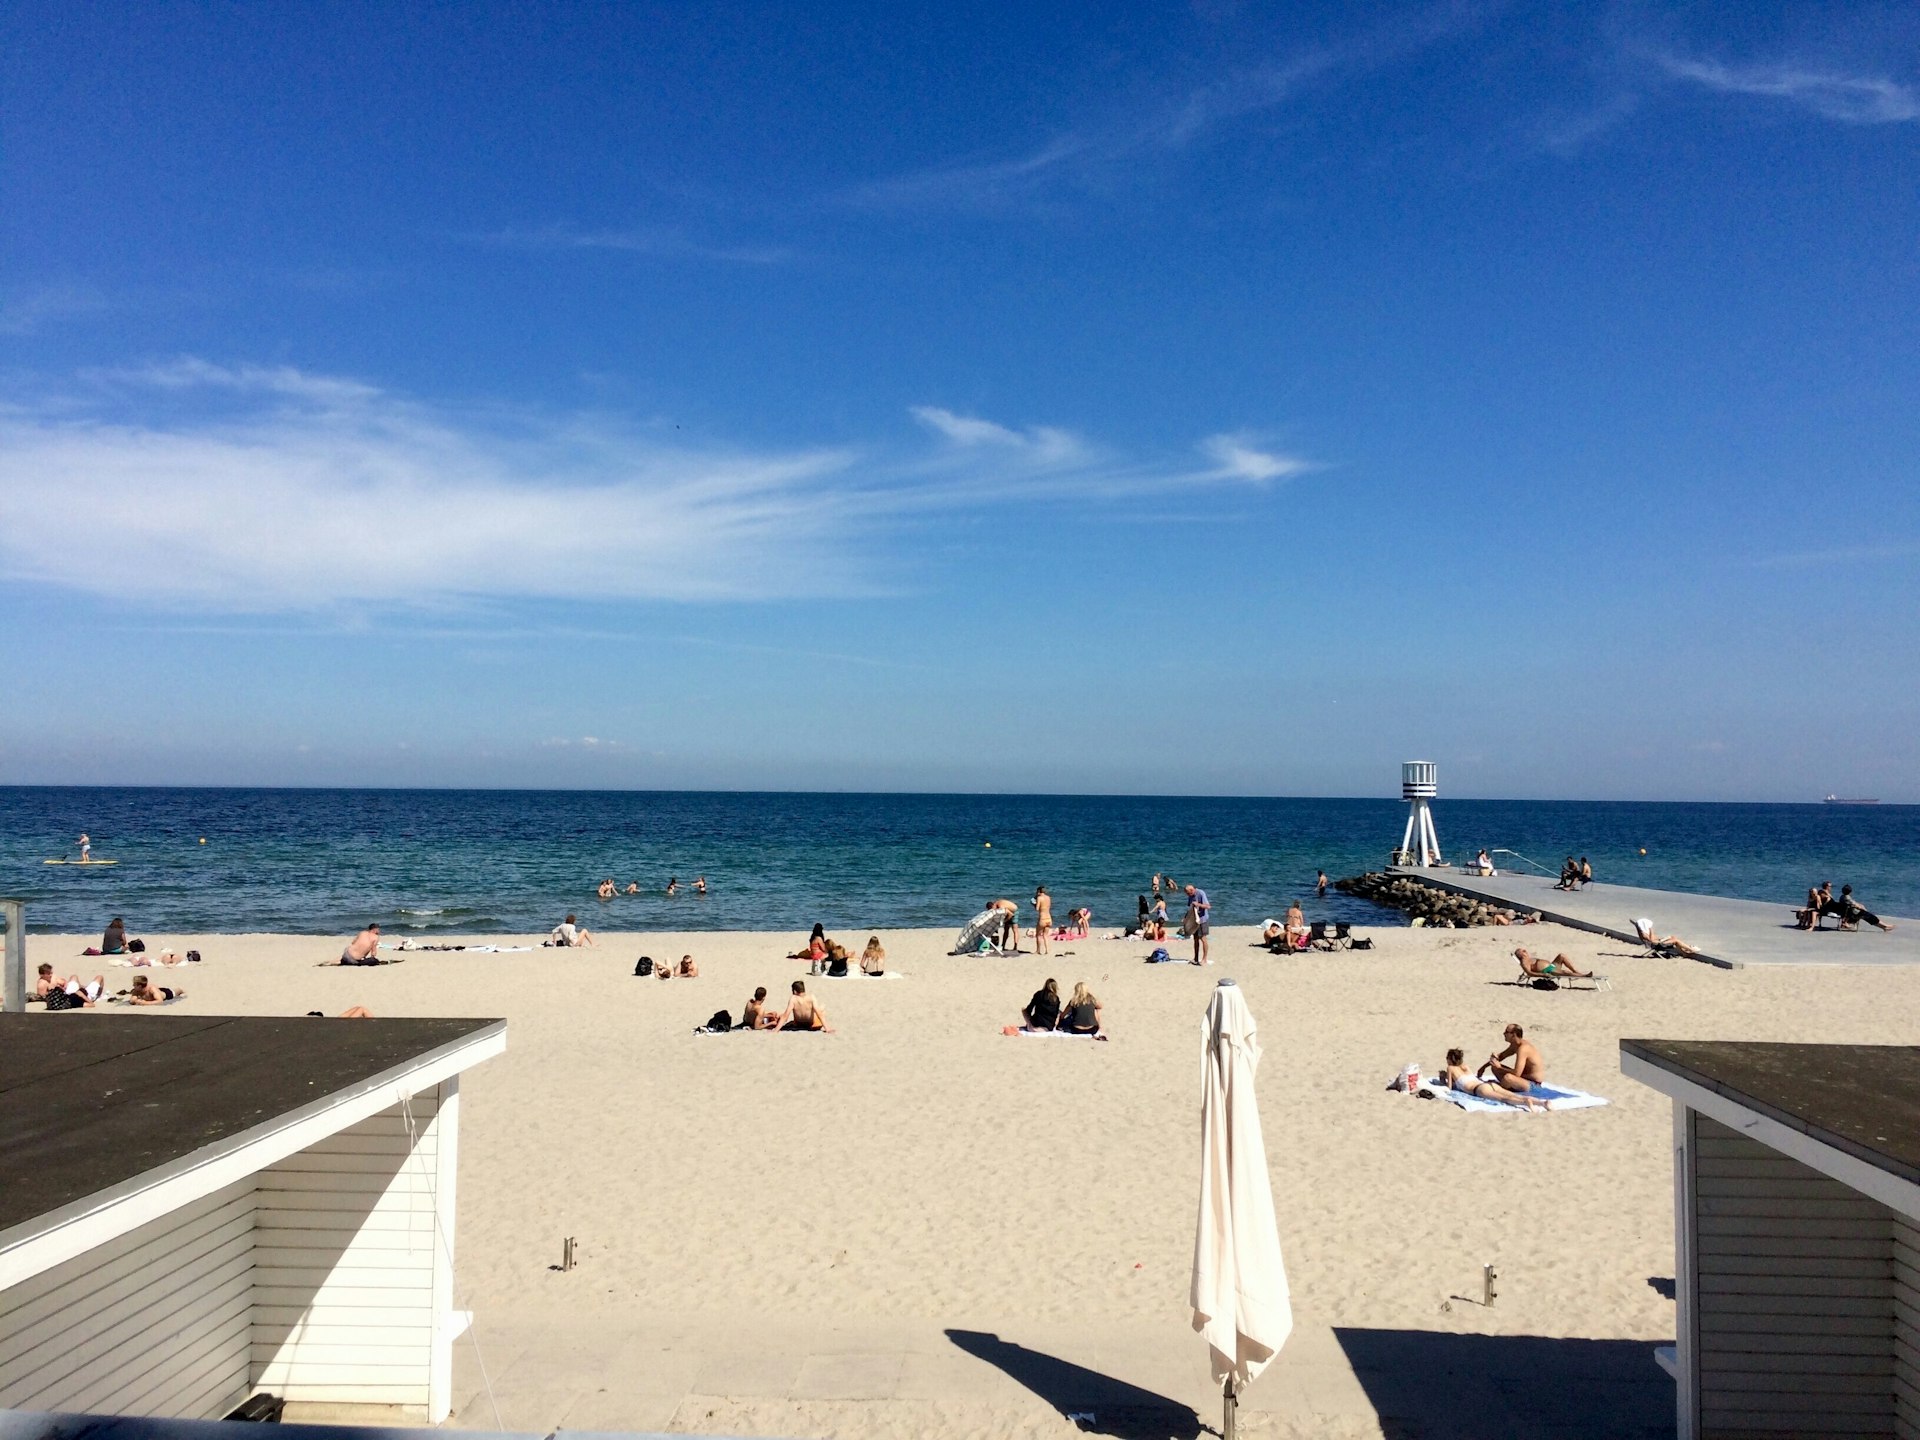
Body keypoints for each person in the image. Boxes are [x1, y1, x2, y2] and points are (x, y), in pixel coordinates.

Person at [1441, 1048, 1548, 1111]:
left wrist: (1442, 1079)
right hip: (1488, 1084)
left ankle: (1526, 1103)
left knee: (1504, 1099)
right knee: (1513, 1095)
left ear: (1450, 1059)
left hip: (1479, 1089)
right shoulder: (1466, 1067)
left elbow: (1449, 1088)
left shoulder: (1450, 1068)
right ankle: (1542, 1103)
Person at [1480, 1024, 1544, 1093]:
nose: (1504, 1034)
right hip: (1522, 1079)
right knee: (1494, 1067)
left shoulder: (1523, 1049)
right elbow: (1501, 1056)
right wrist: (1484, 1067)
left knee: (1508, 1078)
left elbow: (1517, 1073)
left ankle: (1501, 1087)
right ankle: (1505, 1086)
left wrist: (1499, 1067)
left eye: (1506, 1032)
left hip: (1533, 1085)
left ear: (1513, 1035)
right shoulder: (1515, 1045)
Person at [1514, 946, 1594, 980]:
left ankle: (1575, 971)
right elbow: (1529, 973)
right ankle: (1585, 976)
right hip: (1548, 971)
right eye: (1523, 951)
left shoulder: (1528, 958)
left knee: (1561, 955)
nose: (1525, 951)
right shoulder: (1524, 962)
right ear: (1520, 954)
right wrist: (1543, 975)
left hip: (1552, 966)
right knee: (1565, 972)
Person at [1632, 918, 1698, 957]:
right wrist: (1650, 929)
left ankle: (1684, 952)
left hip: (1658, 943)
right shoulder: (1644, 934)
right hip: (1658, 945)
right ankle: (1690, 949)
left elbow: (1654, 938)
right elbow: (1652, 940)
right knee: (1675, 940)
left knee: (1672, 937)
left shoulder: (1643, 932)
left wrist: (1663, 938)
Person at [1184, 883, 1211, 966]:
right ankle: (1195, 958)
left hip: (1202, 919)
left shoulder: (1201, 893)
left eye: (1188, 893)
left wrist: (1198, 904)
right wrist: (1185, 918)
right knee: (1195, 939)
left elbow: (1208, 906)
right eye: (1187, 894)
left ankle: (1204, 959)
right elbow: (1190, 908)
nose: (1188, 895)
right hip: (1194, 920)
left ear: (1192, 890)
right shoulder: (1190, 896)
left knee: (1203, 939)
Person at [1033, 886, 1053, 956]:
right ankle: (1047, 950)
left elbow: (1037, 909)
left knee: (1038, 935)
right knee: (1045, 935)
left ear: (1039, 891)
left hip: (1042, 919)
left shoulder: (1039, 898)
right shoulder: (1048, 897)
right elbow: (1048, 907)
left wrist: (1033, 903)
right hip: (1049, 918)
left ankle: (1038, 950)